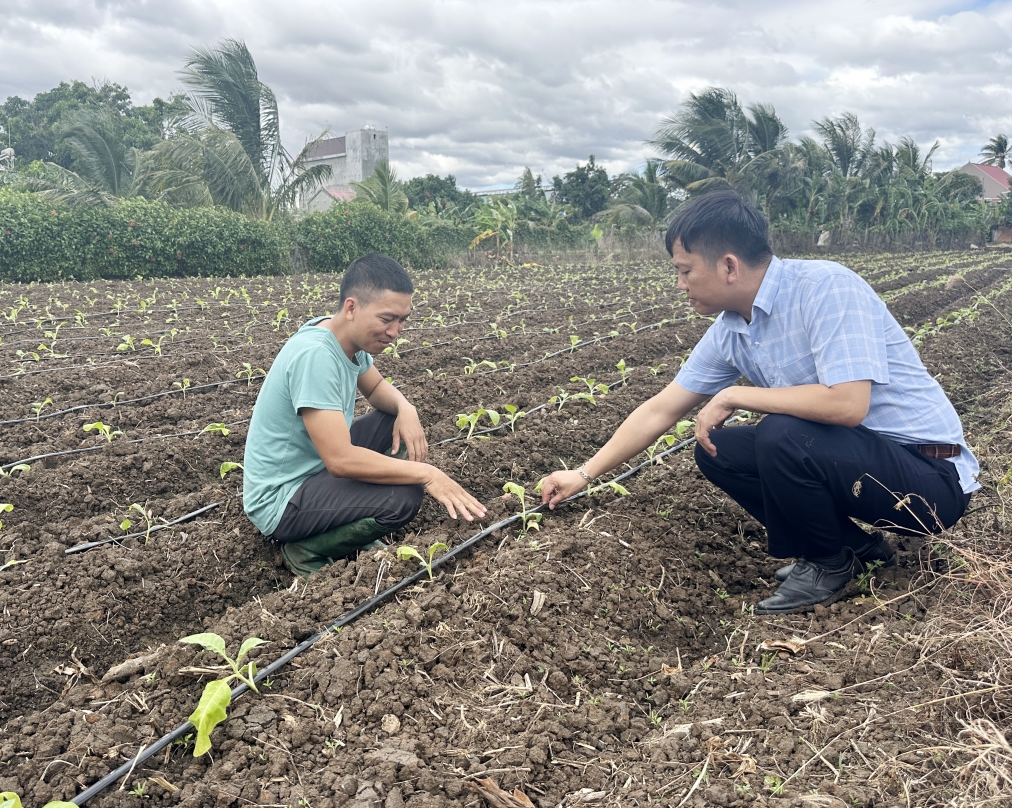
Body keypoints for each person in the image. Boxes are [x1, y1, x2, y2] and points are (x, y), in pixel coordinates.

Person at [539, 190, 978, 615]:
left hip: (928, 482)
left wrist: (735, 393)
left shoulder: (824, 287)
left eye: (685, 271)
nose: (679, 285)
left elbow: (847, 404)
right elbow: (662, 408)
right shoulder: (732, 327)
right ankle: (853, 550)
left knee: (781, 432)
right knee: (717, 450)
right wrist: (583, 473)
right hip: (862, 467)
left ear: (729, 265)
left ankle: (828, 566)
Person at [243, 253, 487, 578]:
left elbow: (375, 390)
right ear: (351, 308)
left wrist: (406, 409)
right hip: (282, 500)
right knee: (402, 497)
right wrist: (427, 473)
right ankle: (308, 549)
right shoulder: (316, 356)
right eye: (387, 319)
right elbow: (340, 461)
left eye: (403, 320)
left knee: (393, 422)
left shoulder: (343, 336)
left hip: (311, 469)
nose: (395, 331)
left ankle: (348, 529)